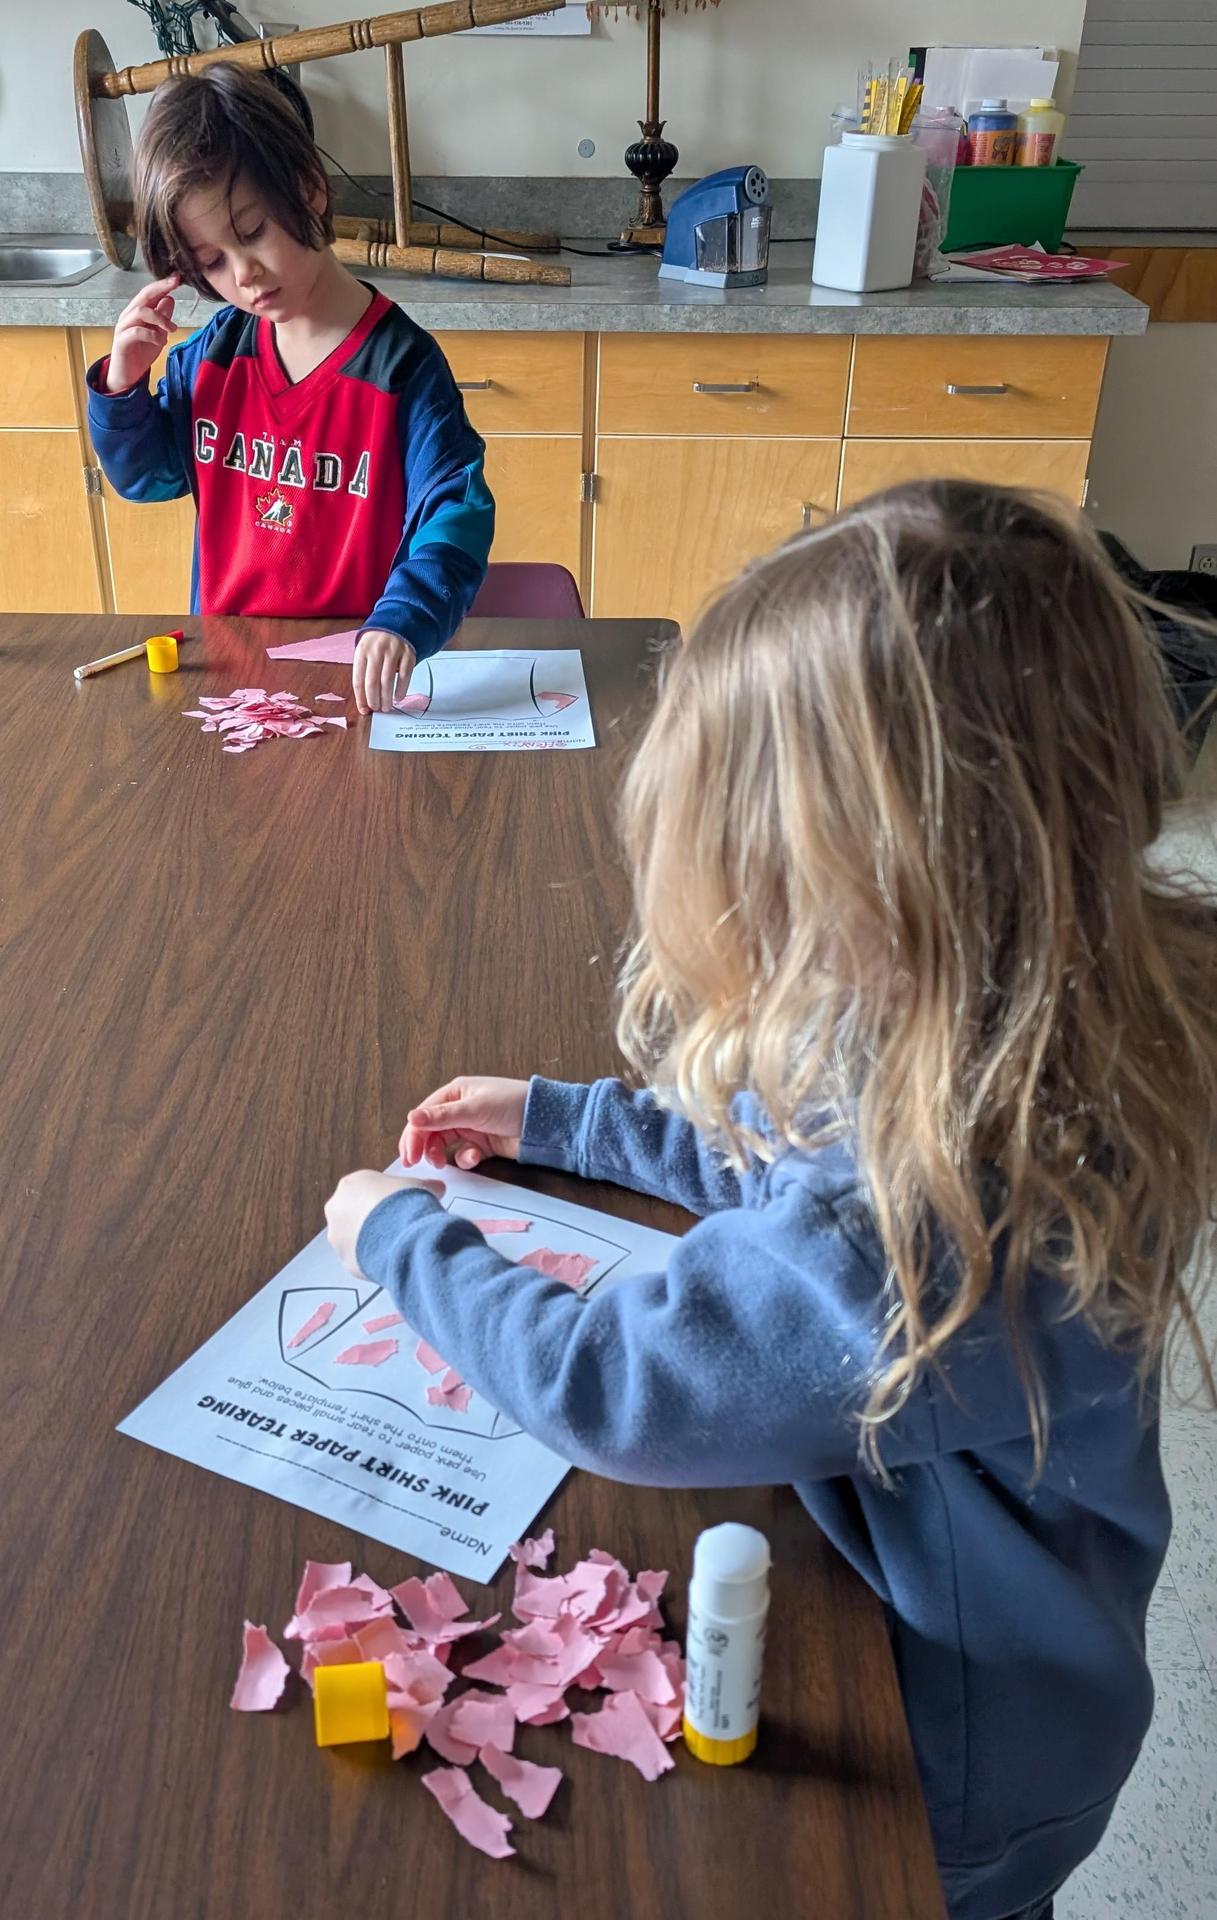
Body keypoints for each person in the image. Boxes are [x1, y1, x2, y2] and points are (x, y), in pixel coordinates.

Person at [324, 480, 1217, 1920]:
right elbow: (785, 1146)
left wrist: (397, 1236)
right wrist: (568, 1120)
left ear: (873, 890)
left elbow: (612, 1386)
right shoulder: (1025, 1014)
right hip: (1005, 1661)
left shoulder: (940, 1215)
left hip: (946, 1768)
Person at [84, 64, 492, 714]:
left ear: (309, 189)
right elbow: (147, 479)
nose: (243, 274)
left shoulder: (403, 368)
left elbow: (455, 513)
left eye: (252, 232)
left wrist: (404, 619)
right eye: (211, 261)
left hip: (356, 677)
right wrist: (123, 385)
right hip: (229, 682)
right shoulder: (210, 360)